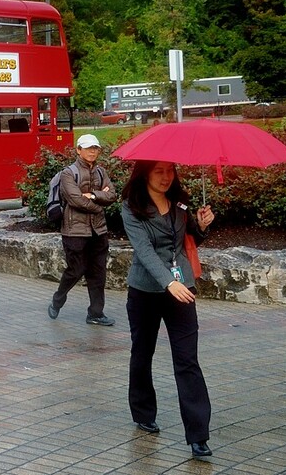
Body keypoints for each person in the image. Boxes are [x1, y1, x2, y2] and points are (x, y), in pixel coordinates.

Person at [121, 160, 215, 458]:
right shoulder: (131, 206)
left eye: (170, 171)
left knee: (187, 360)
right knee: (142, 350)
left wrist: (201, 226)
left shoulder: (180, 204)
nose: (165, 177)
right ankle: (143, 411)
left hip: (182, 289)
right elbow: (144, 251)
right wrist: (166, 283)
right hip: (145, 290)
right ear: (145, 173)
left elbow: (188, 240)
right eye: (159, 171)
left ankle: (198, 435)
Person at [47, 134, 118, 325]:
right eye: (88, 148)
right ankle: (58, 299)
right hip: (74, 232)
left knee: (98, 273)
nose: (93, 151)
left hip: (98, 231)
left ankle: (95, 313)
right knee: (75, 270)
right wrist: (99, 205)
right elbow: (75, 199)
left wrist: (93, 195)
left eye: (95, 148)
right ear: (78, 150)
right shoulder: (68, 173)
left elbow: (112, 195)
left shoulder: (101, 172)